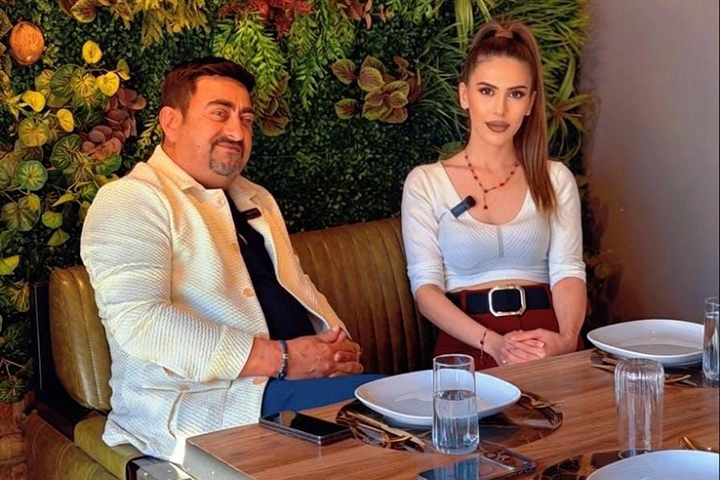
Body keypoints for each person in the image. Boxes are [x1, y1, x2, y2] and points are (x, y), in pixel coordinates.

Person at [80, 57, 381, 462]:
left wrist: (337, 352)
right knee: (413, 406)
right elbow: (142, 322)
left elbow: (297, 286)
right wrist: (285, 359)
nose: (237, 132)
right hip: (206, 403)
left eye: (246, 119)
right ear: (171, 121)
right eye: (219, 114)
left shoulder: (255, 198)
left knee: (412, 405)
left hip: (294, 388)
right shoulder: (131, 200)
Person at [401, 21, 586, 371]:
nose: (500, 110)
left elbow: (568, 270)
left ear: (530, 103)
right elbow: (426, 290)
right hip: (467, 341)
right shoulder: (425, 182)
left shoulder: (554, 178)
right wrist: (493, 344)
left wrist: (565, 341)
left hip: (546, 337)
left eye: (515, 94)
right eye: (487, 91)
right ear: (464, 95)